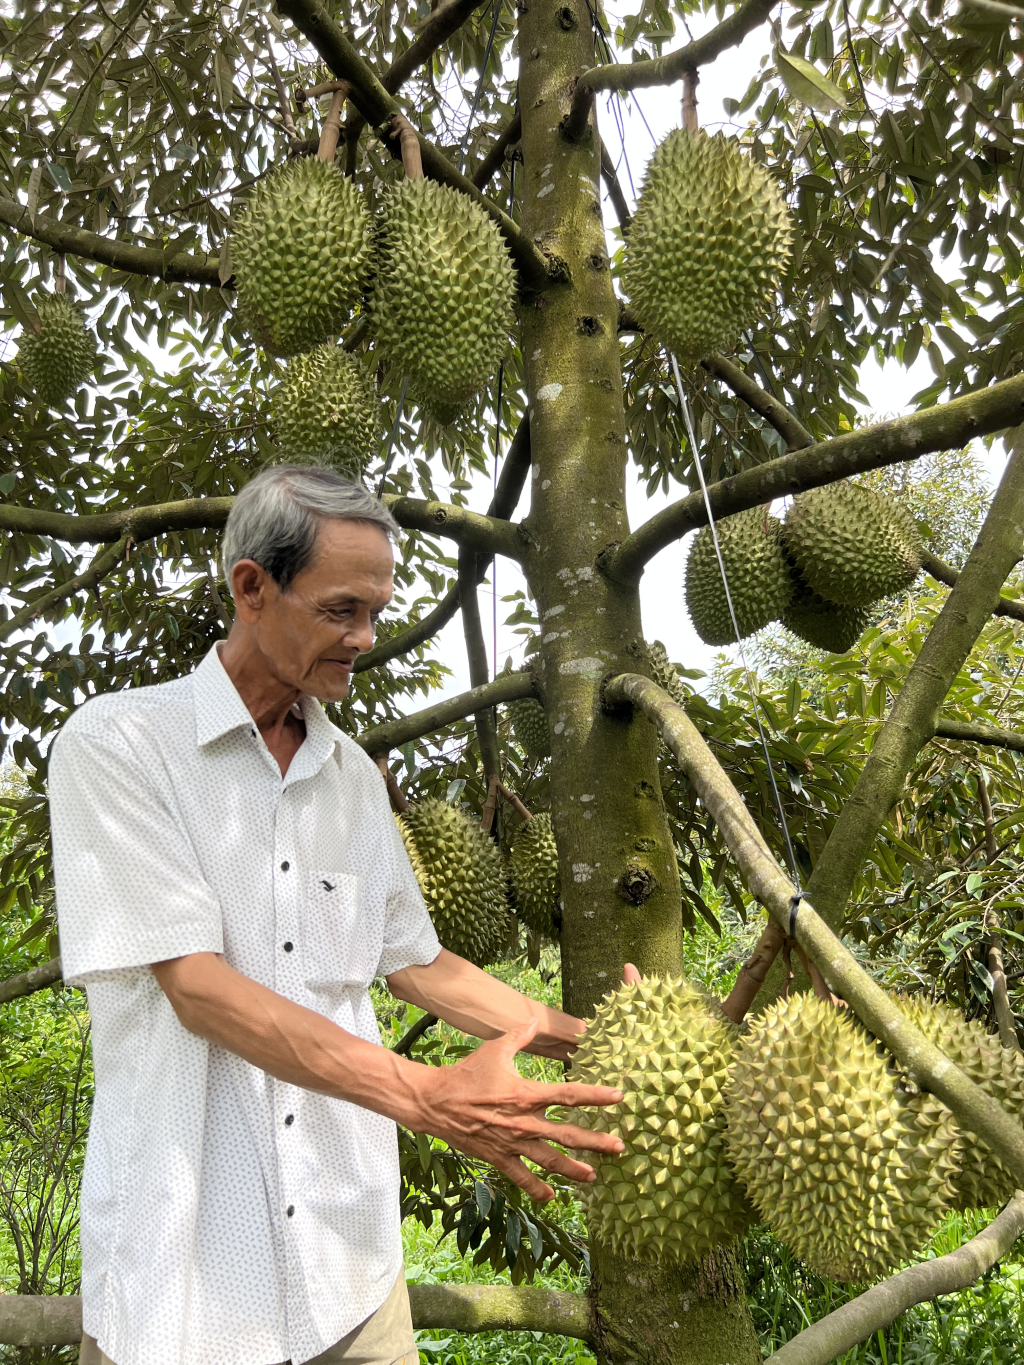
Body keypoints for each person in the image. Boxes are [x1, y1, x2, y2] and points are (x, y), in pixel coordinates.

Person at [50, 465, 626, 1365]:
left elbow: (419, 965)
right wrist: (427, 1095)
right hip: (184, 1289)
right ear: (252, 588)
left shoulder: (353, 776)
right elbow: (198, 988)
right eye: (340, 610)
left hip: (350, 1280)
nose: (364, 638)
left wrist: (605, 1038)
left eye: (376, 612)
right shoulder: (118, 747)